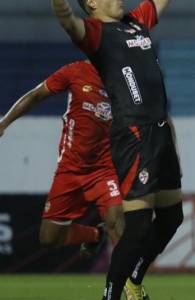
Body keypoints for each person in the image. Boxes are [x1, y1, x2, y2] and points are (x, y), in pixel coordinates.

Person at [39, 0, 195, 300]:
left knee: (172, 217)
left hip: (161, 129)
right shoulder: (96, 35)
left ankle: (134, 278)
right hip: (134, 134)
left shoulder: (134, 23)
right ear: (91, 3)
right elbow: (68, 24)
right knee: (138, 224)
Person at [0, 61, 123, 254]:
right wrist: (4, 122)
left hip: (104, 169)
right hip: (70, 169)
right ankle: (96, 234)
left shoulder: (124, 76)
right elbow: (35, 95)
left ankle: (128, 283)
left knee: (117, 223)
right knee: (49, 237)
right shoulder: (74, 71)